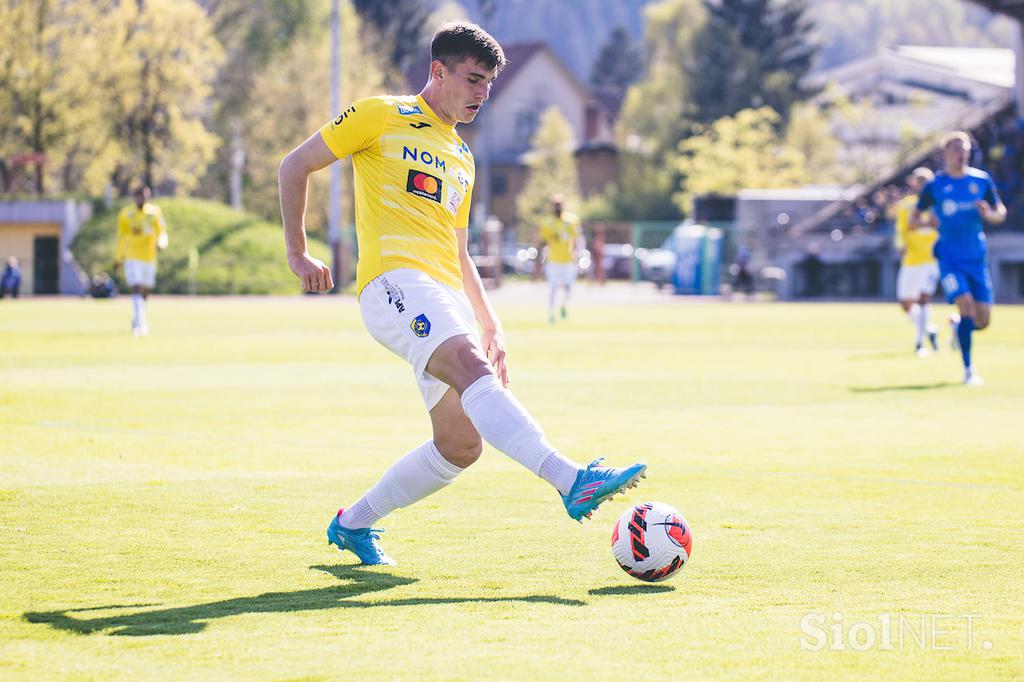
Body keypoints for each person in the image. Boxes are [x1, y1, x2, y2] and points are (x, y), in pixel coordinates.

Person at [278, 22, 646, 566]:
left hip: (444, 296)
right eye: (473, 80)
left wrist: (490, 320)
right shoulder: (379, 115)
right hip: (392, 285)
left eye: (489, 86)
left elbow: (458, 250)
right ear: (437, 71)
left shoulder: (463, 157)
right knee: (472, 372)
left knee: (460, 447)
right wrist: (298, 252)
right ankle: (573, 481)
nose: (481, 94)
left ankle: (353, 524)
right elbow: (295, 165)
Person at [912, 131, 1006, 385]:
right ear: (946, 154)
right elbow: (914, 220)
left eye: (964, 149)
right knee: (966, 304)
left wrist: (990, 215)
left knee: (982, 320)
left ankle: (958, 327)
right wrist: (927, 222)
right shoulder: (935, 186)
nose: (961, 153)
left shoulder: (981, 181)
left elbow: (1000, 212)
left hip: (976, 257)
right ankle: (968, 371)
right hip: (949, 258)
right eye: (955, 149)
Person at [894, 168, 939, 356]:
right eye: (919, 181)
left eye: (925, 181)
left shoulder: (938, 203)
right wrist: (900, 245)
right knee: (905, 303)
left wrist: (919, 224)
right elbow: (902, 229)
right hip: (911, 259)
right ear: (914, 184)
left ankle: (920, 343)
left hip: (931, 258)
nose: (922, 185)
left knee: (923, 299)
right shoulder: (906, 206)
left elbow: (939, 225)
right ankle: (928, 329)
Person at [113, 185, 168, 336]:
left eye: (144, 196)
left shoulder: (154, 213)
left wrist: (162, 243)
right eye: (139, 196)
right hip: (132, 257)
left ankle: (137, 318)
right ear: (134, 197)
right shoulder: (126, 214)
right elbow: (121, 237)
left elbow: (161, 231)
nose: (141, 199)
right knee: (136, 287)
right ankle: (141, 324)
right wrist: (118, 258)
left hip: (149, 258)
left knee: (145, 291)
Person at [535, 194, 582, 322]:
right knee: (552, 287)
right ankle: (551, 314)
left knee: (569, 287)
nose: (557, 207)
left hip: (568, 259)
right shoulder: (546, 222)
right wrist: (538, 260)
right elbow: (542, 241)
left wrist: (578, 254)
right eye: (555, 204)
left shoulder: (571, 220)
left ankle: (563, 305)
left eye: (559, 204)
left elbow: (577, 239)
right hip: (553, 260)